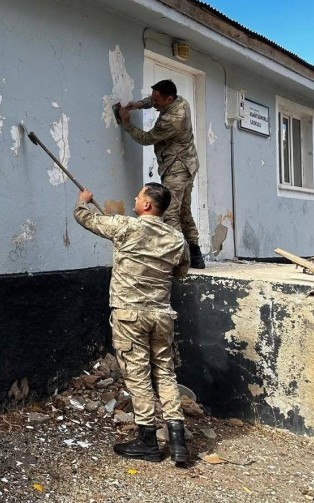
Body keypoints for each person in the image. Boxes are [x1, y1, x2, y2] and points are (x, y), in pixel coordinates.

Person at [73, 182, 190, 466]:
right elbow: (182, 270)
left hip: (130, 315)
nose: (135, 199)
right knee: (164, 372)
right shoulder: (176, 238)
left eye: (138, 197)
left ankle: (148, 442)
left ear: (147, 205)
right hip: (161, 315)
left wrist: (83, 201)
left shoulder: (126, 227)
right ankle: (178, 443)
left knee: (138, 377)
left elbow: (86, 219)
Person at [118, 79, 205, 269]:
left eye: (157, 101)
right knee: (183, 210)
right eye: (153, 98)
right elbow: (153, 101)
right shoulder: (180, 100)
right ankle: (196, 255)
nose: (154, 103)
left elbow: (147, 138)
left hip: (177, 167)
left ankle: (179, 259)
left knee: (171, 211)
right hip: (187, 163)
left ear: (169, 99)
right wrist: (140, 104)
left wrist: (127, 125)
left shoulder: (173, 119)